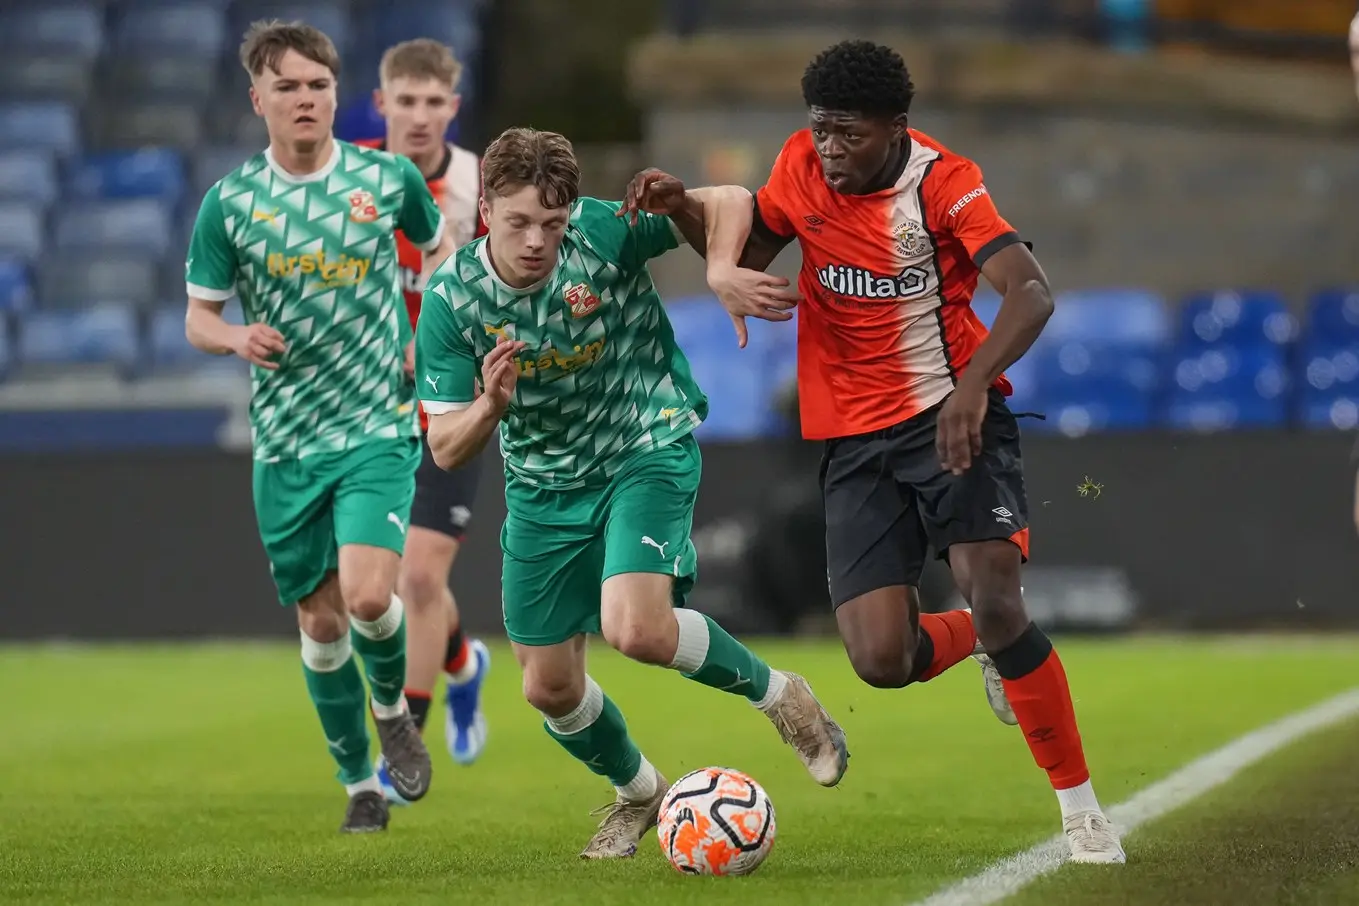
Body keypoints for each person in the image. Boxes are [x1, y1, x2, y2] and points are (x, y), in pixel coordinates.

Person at [631, 39, 1125, 864]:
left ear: (896, 128)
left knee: (999, 596)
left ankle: (1080, 811)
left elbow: (1030, 292)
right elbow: (747, 254)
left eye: (847, 133)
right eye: (819, 129)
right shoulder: (799, 166)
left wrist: (971, 389)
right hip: (853, 442)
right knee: (879, 661)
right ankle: (980, 639)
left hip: (950, 418)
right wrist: (682, 206)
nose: (829, 147)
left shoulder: (945, 182)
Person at [414, 126, 849, 860]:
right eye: (517, 222)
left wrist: (712, 261)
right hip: (544, 487)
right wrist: (489, 406)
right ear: (484, 210)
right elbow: (443, 442)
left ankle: (783, 698)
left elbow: (731, 201)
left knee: (638, 629)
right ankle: (640, 792)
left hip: (644, 445)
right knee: (548, 689)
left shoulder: (602, 230)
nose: (536, 241)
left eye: (550, 224)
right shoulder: (452, 302)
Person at [184, 20, 455, 834]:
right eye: (289, 86)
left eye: (318, 85)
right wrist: (235, 337)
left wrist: (425, 337)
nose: (305, 99)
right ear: (257, 97)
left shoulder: (385, 179)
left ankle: (391, 712)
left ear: (337, 95)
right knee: (322, 621)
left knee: (373, 594)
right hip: (287, 444)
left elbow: (441, 257)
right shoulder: (231, 203)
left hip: (375, 426)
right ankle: (357, 784)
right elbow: (198, 316)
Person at [355, 38, 492, 801]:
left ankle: (402, 737)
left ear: (452, 107)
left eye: (431, 101)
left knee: (416, 573)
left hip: (449, 401)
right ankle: (462, 662)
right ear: (380, 106)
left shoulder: (479, 185)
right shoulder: (354, 181)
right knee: (373, 584)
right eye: (403, 101)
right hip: (368, 407)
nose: (417, 115)